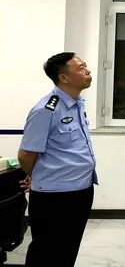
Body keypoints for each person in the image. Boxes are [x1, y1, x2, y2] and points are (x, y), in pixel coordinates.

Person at [18, 52, 97, 267]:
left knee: (67, 250)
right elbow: (25, 155)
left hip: (81, 190)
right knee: (46, 252)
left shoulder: (77, 103)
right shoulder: (46, 109)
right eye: (81, 68)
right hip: (55, 197)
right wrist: (39, 176)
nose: (88, 71)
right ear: (64, 77)